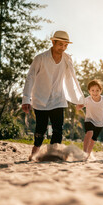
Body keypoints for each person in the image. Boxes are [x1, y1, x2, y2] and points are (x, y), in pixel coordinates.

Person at [22, 30, 85, 161]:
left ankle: (53, 155)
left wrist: (78, 98)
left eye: (65, 45)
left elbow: (71, 78)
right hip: (40, 98)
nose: (63, 48)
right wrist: (26, 99)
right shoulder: (40, 58)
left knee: (58, 129)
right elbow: (30, 77)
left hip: (58, 98)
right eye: (60, 44)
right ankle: (35, 152)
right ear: (53, 42)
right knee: (41, 129)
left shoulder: (67, 59)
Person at [76, 79, 103, 160]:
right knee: (89, 132)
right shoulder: (87, 99)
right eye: (92, 90)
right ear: (89, 91)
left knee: (93, 140)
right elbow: (80, 106)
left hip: (100, 123)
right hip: (89, 120)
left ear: (101, 91)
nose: (95, 92)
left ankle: (87, 156)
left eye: (97, 90)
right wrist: (79, 106)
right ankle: (84, 152)